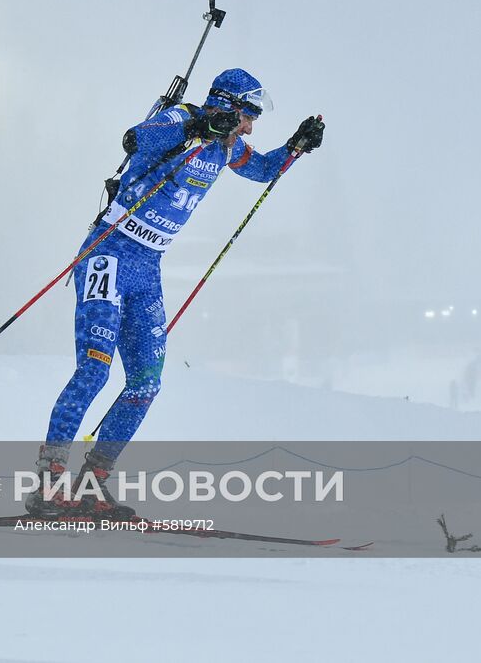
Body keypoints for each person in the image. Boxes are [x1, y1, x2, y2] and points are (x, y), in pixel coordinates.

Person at [26, 68, 324, 517]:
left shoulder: (229, 149)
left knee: (146, 383)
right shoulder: (180, 118)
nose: (250, 127)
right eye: (249, 116)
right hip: (109, 253)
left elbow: (263, 169)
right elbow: (135, 139)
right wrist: (196, 126)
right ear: (229, 105)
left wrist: (296, 147)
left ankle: (93, 484)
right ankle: (49, 483)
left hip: (147, 268)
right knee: (95, 370)